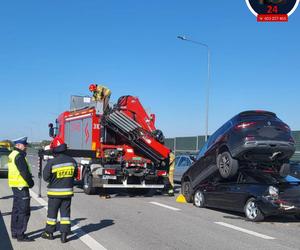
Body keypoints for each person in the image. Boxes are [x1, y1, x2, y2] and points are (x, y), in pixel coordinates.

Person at [41, 136, 77, 243]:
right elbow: (75, 175)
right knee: (65, 215)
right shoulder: (72, 161)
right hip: (68, 193)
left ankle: (49, 233)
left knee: (52, 214)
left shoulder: (52, 162)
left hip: (54, 194)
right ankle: (64, 235)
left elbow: (46, 177)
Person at [8, 136, 34, 242]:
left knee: (16, 210)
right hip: (21, 186)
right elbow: (24, 172)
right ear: (18, 145)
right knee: (24, 211)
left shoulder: (12, 154)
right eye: (24, 145)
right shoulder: (19, 156)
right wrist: (31, 183)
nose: (26, 147)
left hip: (15, 185)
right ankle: (20, 235)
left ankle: (15, 232)